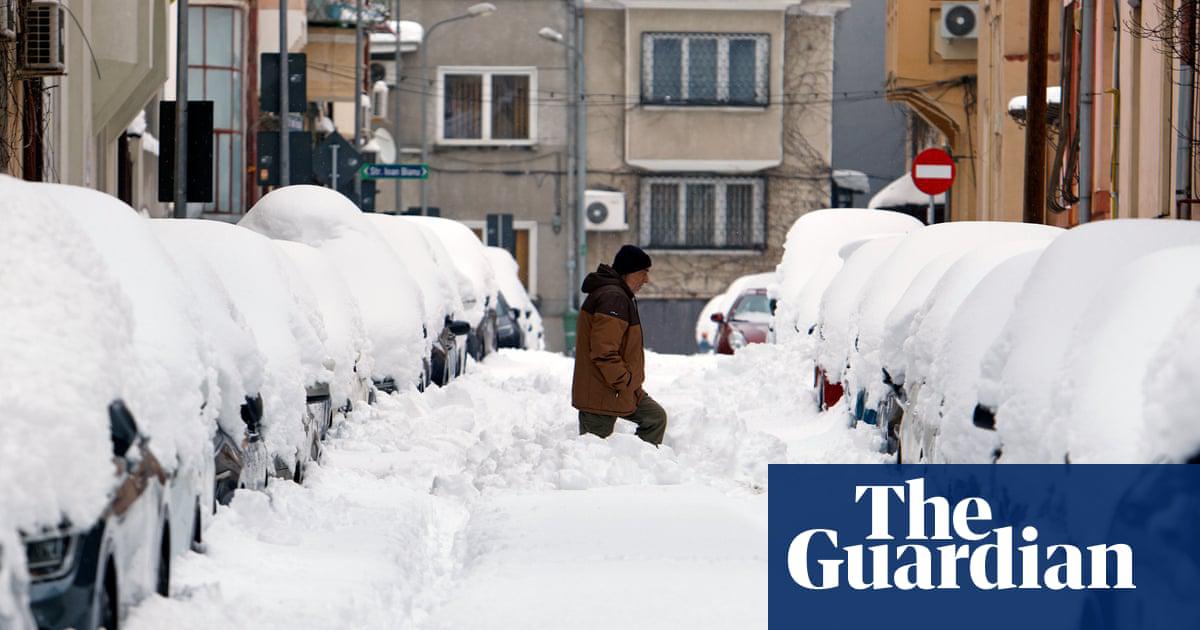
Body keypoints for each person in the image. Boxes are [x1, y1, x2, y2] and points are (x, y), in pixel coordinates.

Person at [572, 244, 668, 445]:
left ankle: (639, 468)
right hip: (602, 392)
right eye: (643, 272)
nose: (646, 279)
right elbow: (603, 351)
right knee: (593, 460)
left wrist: (628, 384)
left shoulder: (616, 295)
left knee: (654, 418)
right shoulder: (612, 298)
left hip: (618, 389)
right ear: (628, 272)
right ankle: (630, 471)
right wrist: (623, 381)